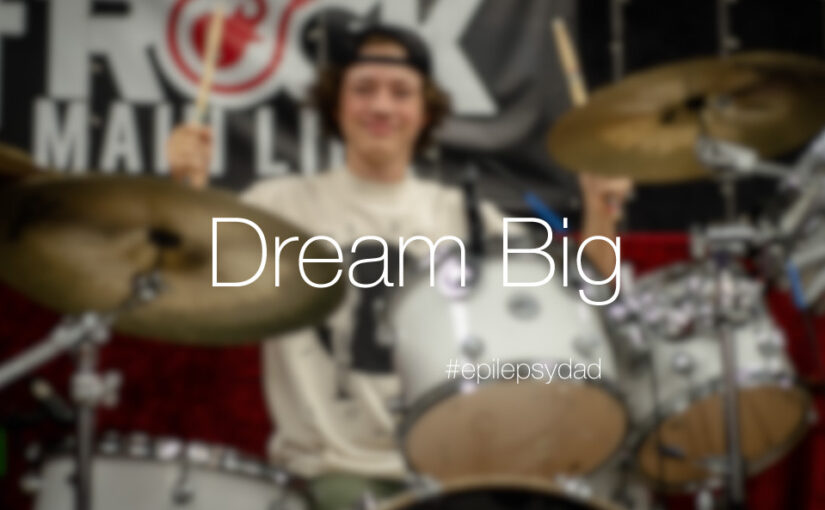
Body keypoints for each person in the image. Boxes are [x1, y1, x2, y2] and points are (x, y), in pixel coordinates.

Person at [167, 23, 631, 510]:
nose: (382, 106)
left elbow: (591, 304)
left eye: (401, 92)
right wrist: (183, 195)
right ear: (335, 104)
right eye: (363, 89)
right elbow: (188, 292)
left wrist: (600, 212)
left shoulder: (467, 217)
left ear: (426, 110)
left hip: (454, 473)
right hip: (331, 474)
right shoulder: (278, 208)